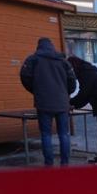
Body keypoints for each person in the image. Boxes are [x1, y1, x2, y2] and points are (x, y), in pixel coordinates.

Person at [20, 37, 76, 167]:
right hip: (62, 104)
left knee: (46, 135)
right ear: (52, 46)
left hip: (43, 103)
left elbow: (24, 77)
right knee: (64, 134)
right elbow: (72, 81)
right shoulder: (63, 60)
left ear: (39, 47)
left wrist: (36, 90)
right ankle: (65, 164)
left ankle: (49, 165)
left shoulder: (33, 59)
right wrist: (65, 93)